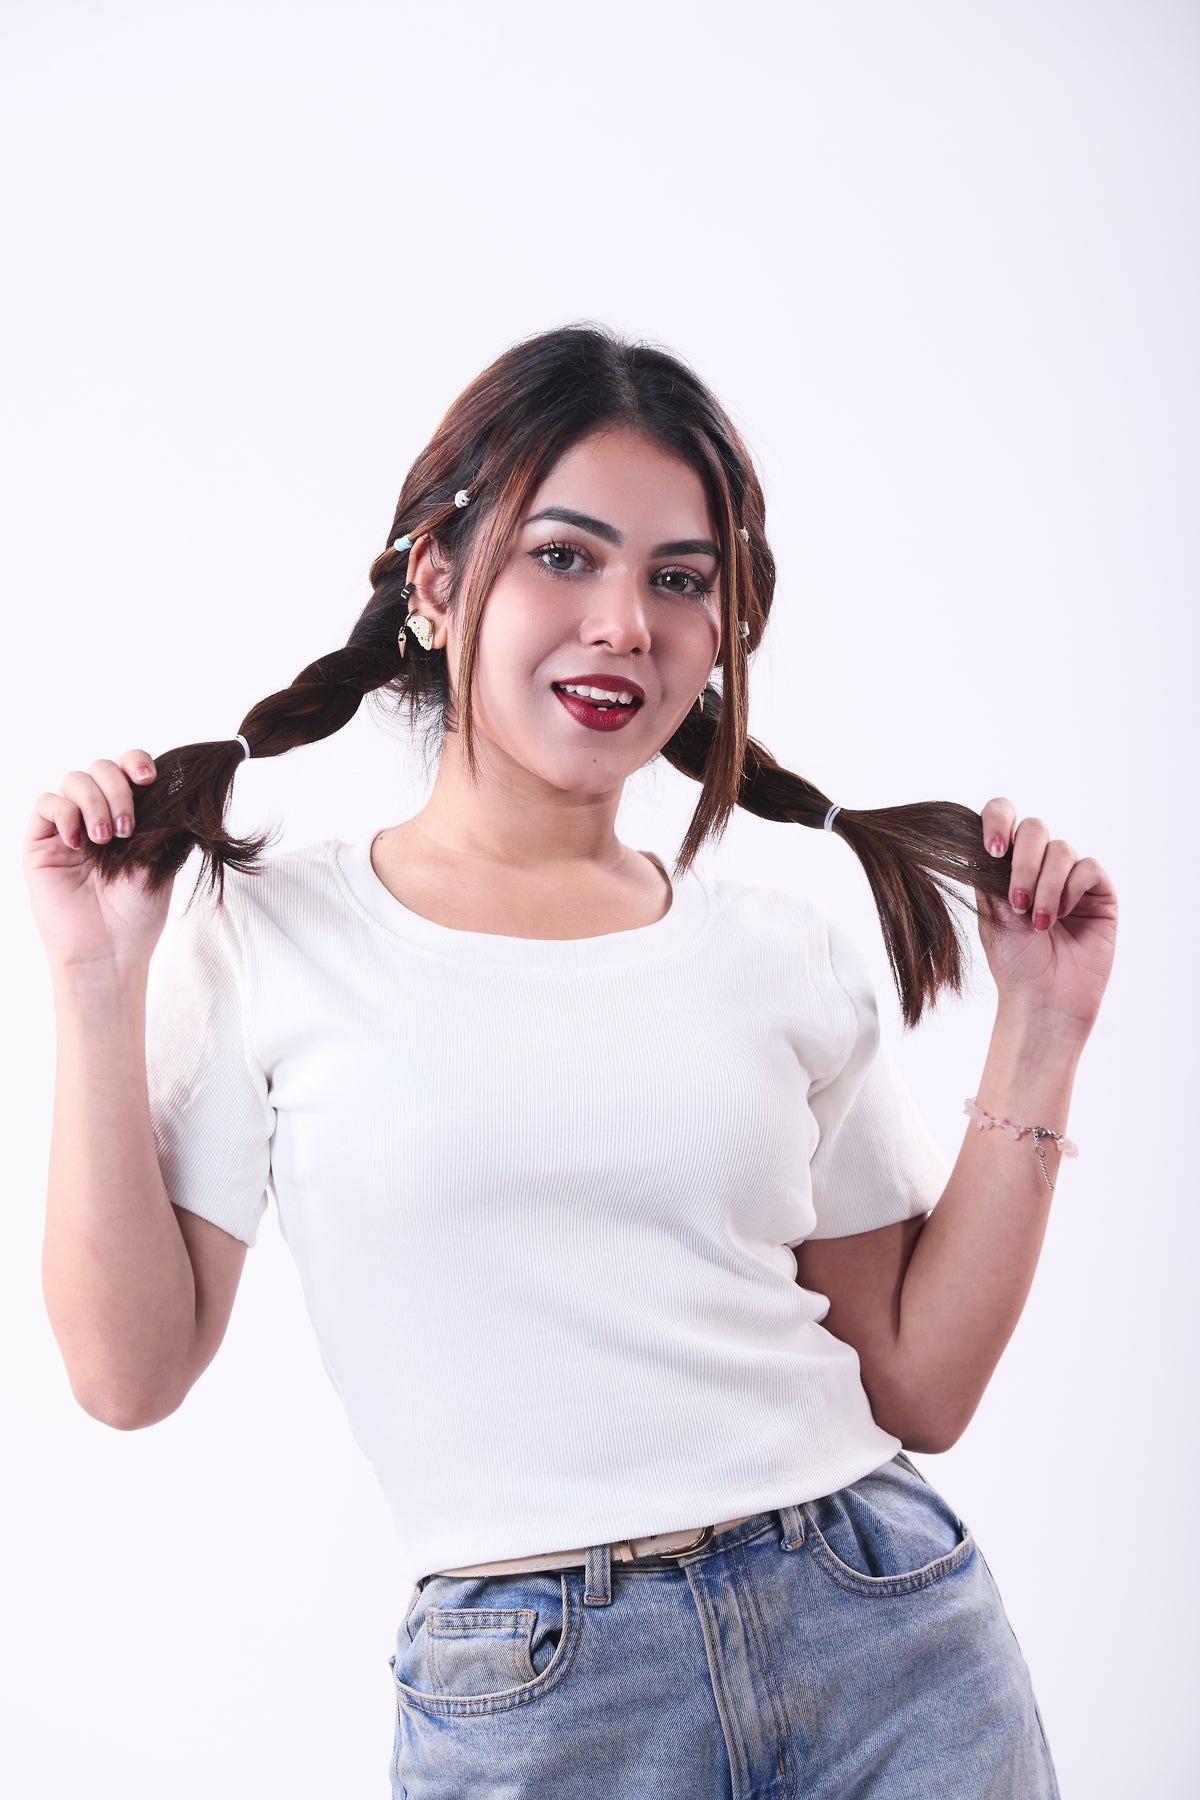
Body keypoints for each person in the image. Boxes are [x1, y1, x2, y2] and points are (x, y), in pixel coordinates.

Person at [25, 322, 1116, 1798]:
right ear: (431, 580)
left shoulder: (776, 944)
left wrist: (1043, 1029)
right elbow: (128, 1374)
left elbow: (919, 1385)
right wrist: (96, 984)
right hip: (540, 1699)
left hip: (888, 1644)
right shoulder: (270, 929)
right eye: (565, 556)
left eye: (680, 580)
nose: (625, 625)